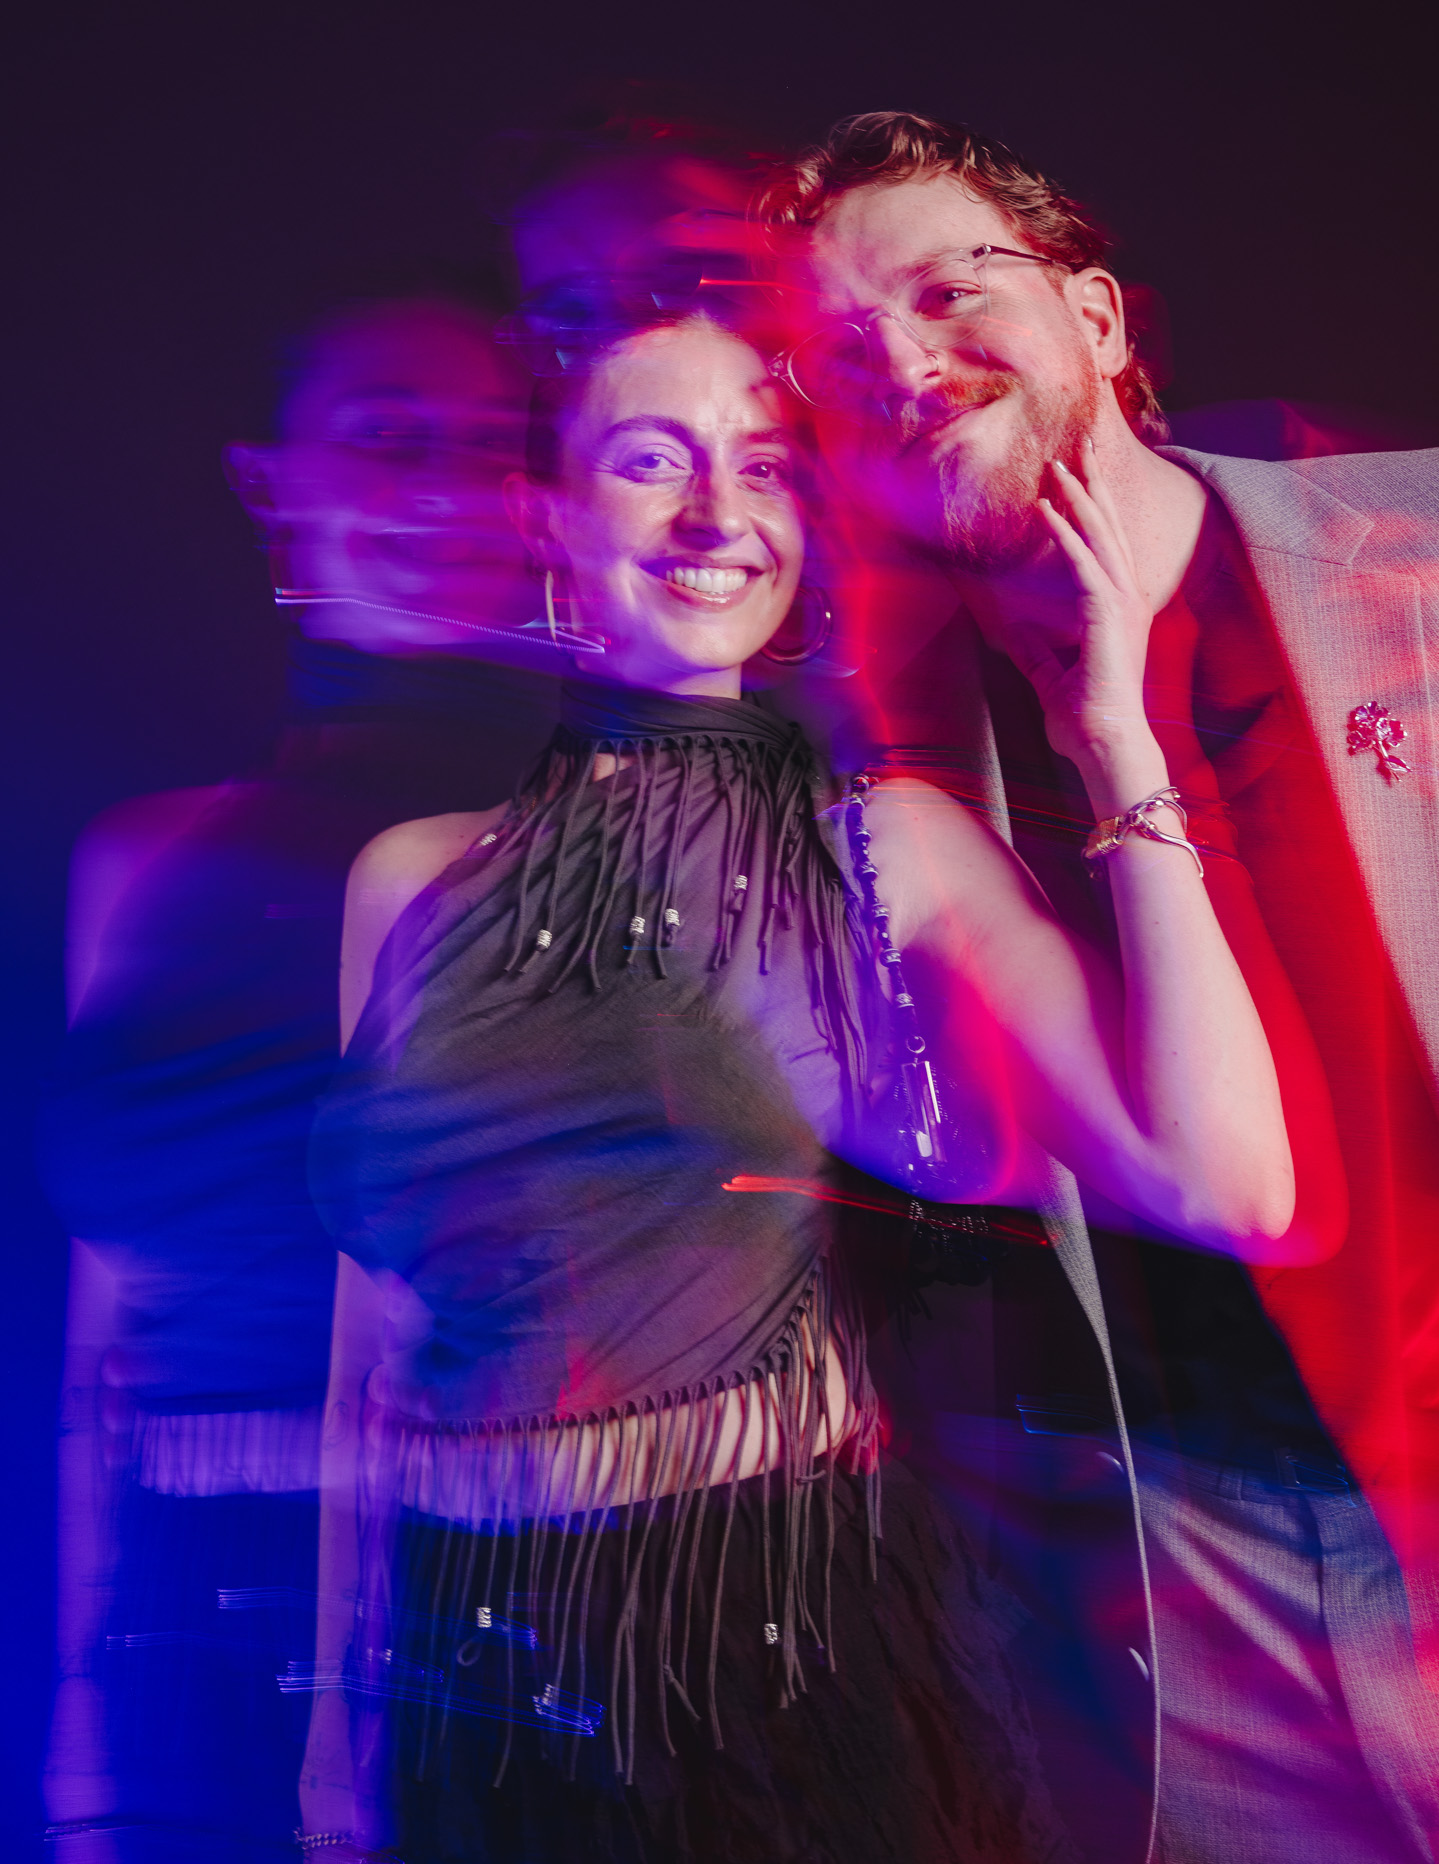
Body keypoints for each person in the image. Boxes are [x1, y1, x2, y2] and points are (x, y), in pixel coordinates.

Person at [298, 286, 1302, 1864]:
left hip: (766, 1664)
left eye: (763, 467)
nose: (719, 512)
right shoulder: (406, 880)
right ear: (549, 510)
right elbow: (374, 1335)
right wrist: (335, 1728)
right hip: (468, 1683)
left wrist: (1118, 742)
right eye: (652, 459)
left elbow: (1223, 1180)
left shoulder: (883, 848)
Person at [761, 110, 1439, 1863]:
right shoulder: (893, 773)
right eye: (840, 348)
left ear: (1100, 313)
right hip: (1188, 1622)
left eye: (947, 290)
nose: (900, 360)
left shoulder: (1417, 553)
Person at [40, 293, 563, 1863]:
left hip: (487, 1621)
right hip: (174, 1642)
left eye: (491, 448)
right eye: (390, 438)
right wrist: (78, 1721)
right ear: (271, 482)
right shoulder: (145, 860)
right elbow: (98, 1337)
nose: (445, 488)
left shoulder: (591, 852)